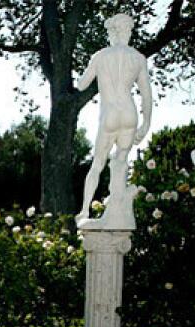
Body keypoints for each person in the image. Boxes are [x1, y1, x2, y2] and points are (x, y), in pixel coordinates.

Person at [75, 13, 152, 222]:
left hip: (109, 114)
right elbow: (146, 94)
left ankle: (85, 210)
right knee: (121, 161)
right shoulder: (138, 58)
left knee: (98, 163)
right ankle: (116, 206)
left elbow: (81, 84)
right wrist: (146, 124)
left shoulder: (101, 56)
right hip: (129, 113)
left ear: (112, 32)